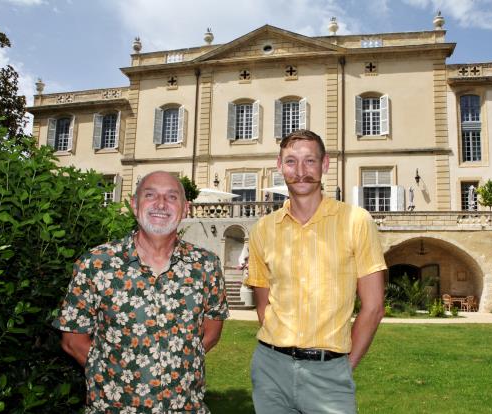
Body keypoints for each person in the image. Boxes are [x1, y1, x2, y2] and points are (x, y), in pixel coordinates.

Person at [53, 171, 229, 413]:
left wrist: (173, 368)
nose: (160, 204)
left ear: (185, 208)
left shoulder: (207, 265)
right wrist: (120, 376)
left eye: (171, 197)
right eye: (150, 195)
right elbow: (73, 341)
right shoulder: (96, 263)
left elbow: (210, 333)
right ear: (135, 205)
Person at [245, 130, 387, 413]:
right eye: (291, 162)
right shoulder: (263, 228)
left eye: (310, 161)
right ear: (279, 165)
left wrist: (346, 365)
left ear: (325, 165)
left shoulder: (356, 222)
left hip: (329, 373)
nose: (300, 171)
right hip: (270, 369)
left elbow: (373, 307)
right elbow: (264, 305)